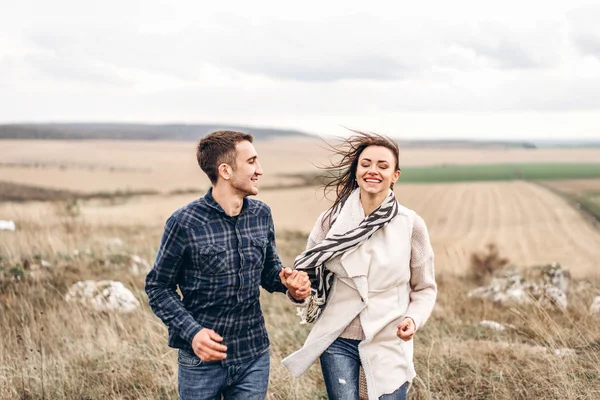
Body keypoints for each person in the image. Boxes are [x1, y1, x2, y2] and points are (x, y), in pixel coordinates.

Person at [145, 130, 311, 400]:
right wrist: (192, 333)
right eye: (252, 162)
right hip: (201, 361)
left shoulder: (261, 214)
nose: (260, 170)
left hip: (253, 355)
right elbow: (158, 287)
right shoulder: (185, 223)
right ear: (225, 170)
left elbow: (269, 272)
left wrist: (290, 285)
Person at [282, 131, 437, 400]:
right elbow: (307, 278)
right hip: (338, 339)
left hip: (390, 337)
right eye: (365, 164)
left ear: (395, 175)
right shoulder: (331, 220)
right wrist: (297, 289)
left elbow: (424, 288)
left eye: (382, 165)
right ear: (356, 172)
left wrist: (413, 319)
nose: (372, 171)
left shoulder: (410, 224)